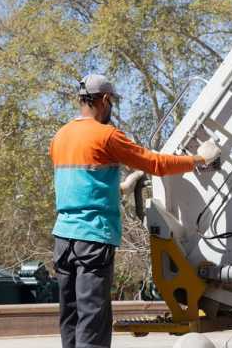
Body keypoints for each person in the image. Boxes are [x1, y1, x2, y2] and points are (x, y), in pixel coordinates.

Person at [49, 74, 220, 348]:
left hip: (63, 239)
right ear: (105, 100)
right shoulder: (107, 135)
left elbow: (81, 185)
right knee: (93, 316)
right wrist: (200, 160)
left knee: (70, 314)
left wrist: (121, 187)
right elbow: (156, 163)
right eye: (112, 102)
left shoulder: (60, 136)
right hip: (93, 236)